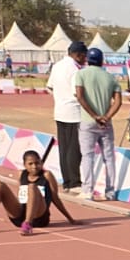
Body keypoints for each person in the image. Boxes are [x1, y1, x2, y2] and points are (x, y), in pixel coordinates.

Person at [0, 148, 77, 236]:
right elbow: (22, 196)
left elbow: (55, 198)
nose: (34, 166)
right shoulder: (21, 174)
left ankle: (28, 223)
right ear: (25, 165)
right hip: (20, 216)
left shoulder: (47, 175)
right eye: (30, 164)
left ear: (41, 163)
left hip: (39, 217)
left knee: (32, 187)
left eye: (37, 163)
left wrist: (70, 219)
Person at [74, 47, 122, 199]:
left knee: (87, 156)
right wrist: (106, 116)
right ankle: (110, 191)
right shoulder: (110, 77)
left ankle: (87, 190)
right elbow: (118, 101)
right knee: (109, 157)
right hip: (105, 123)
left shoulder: (81, 74)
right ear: (102, 60)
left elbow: (80, 96)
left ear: (88, 59)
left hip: (88, 121)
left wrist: (94, 115)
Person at [46, 42, 87, 193]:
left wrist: (60, 97)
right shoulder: (75, 70)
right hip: (74, 113)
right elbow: (78, 93)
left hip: (60, 111)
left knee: (64, 148)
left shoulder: (57, 66)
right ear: (78, 55)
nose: (85, 59)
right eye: (84, 56)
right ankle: (74, 182)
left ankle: (67, 181)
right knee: (74, 148)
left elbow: (49, 87)